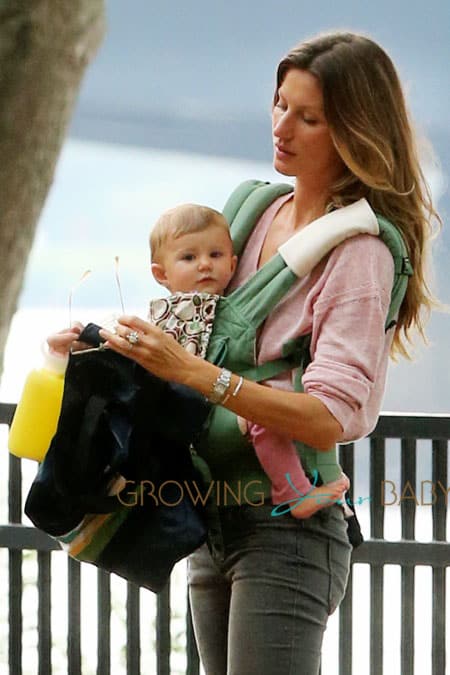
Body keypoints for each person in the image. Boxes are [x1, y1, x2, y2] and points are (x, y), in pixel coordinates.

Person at [52, 31, 441, 675]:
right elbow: (189, 328)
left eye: (308, 117)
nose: (282, 127)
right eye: (279, 104)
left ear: (353, 130)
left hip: (289, 531)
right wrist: (99, 346)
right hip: (213, 515)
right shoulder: (251, 214)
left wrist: (202, 378)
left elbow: (333, 415)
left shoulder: (360, 253)